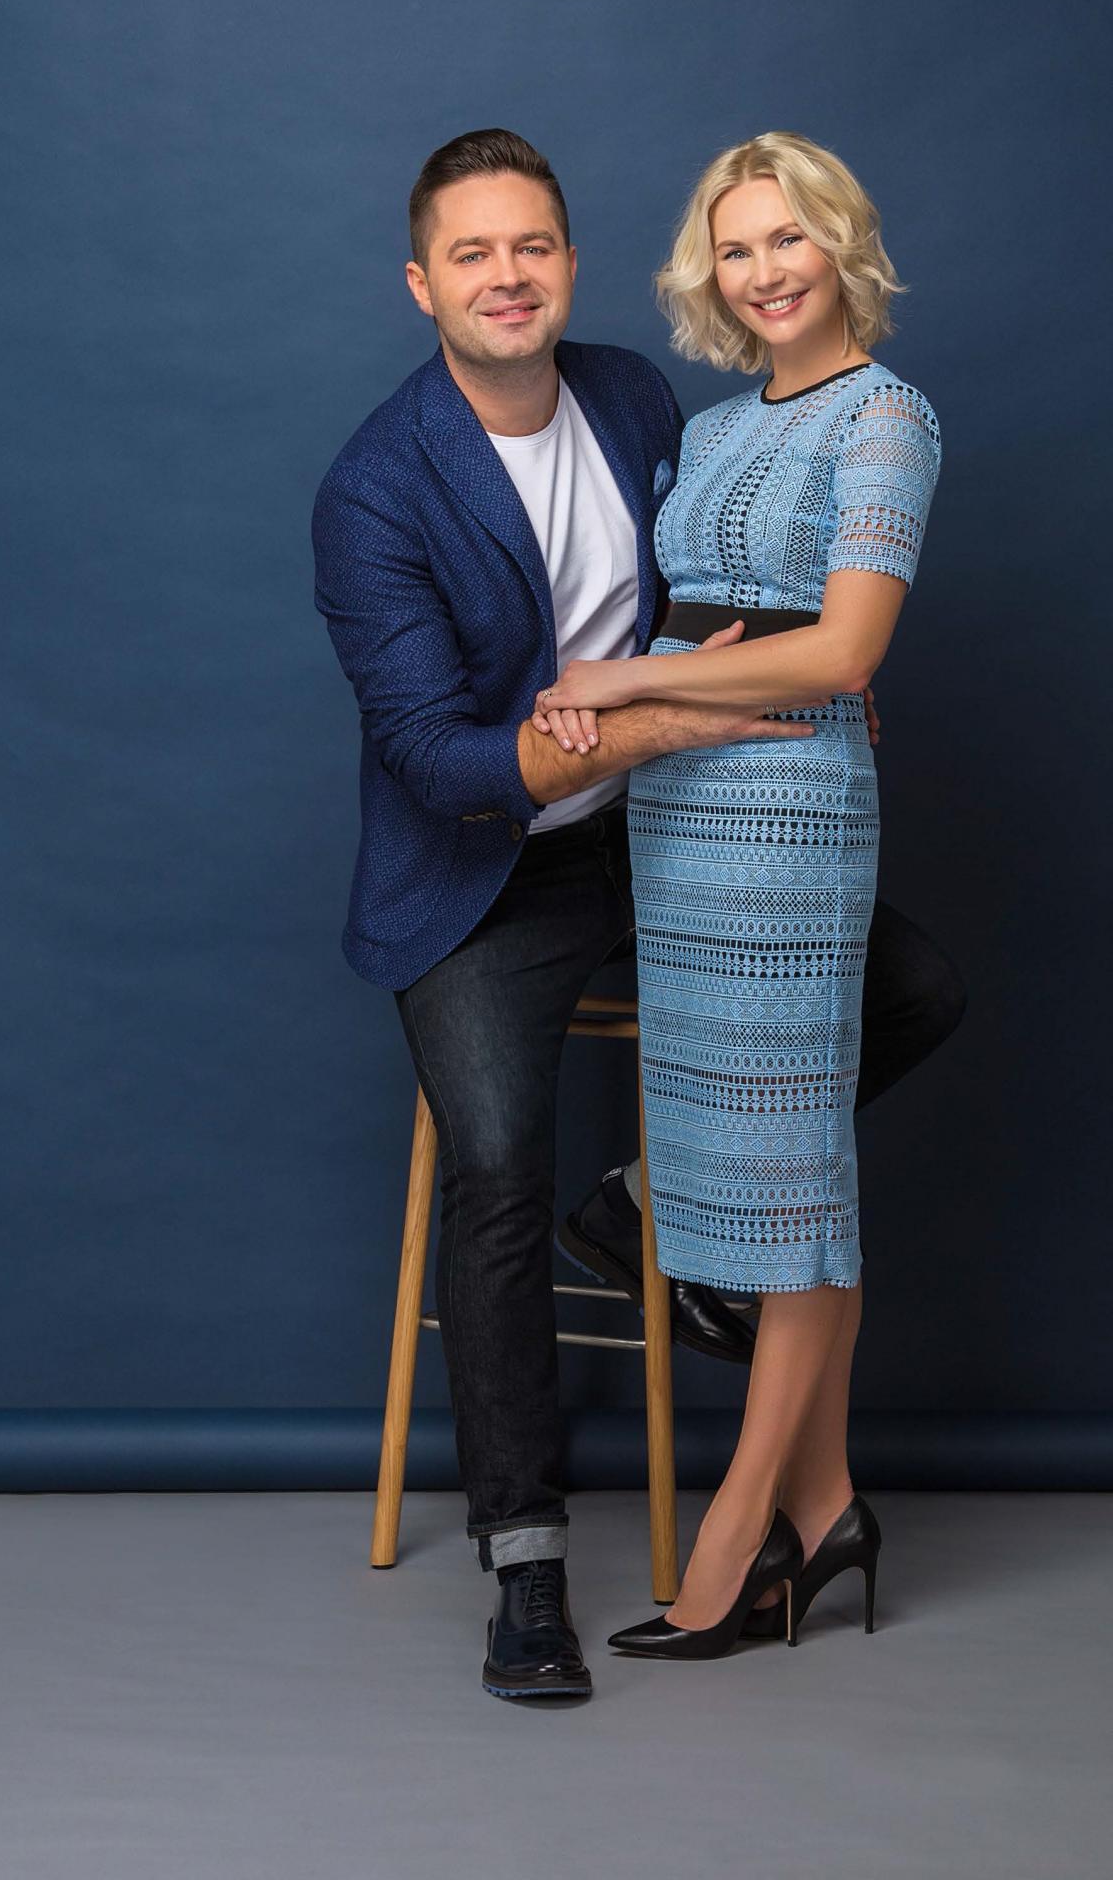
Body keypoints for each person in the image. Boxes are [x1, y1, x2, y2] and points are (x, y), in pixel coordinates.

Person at [311, 129, 963, 1699]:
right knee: (494, 1165)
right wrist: (659, 713)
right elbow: (438, 760)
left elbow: (760, 601)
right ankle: (525, 1564)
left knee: (910, 990)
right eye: (472, 255)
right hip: (490, 864)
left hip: (672, 829)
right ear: (422, 285)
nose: (508, 277)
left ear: (571, 263)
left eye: (532, 246)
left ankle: (648, 1213)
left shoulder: (635, 400)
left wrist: (762, 688)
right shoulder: (375, 490)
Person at [534, 131, 942, 1658]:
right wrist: (620, 693)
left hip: (791, 814)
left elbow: (843, 650)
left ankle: (736, 1531)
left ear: (842, 245)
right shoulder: (704, 432)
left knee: (795, 1176)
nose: (765, 271)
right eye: (737, 246)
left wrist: (624, 679)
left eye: (789, 238)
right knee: (749, 1160)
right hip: (678, 811)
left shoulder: (888, 417)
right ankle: (828, 1511)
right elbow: (700, 623)